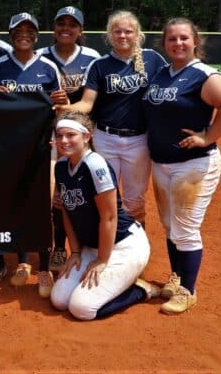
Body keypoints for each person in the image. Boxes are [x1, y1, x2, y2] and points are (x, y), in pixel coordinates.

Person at [142, 18, 221, 314]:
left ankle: (188, 290)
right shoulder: (162, 73)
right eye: (172, 39)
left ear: (195, 41)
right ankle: (178, 276)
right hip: (162, 163)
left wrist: (208, 136)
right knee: (171, 226)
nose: (178, 43)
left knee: (185, 229)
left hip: (193, 164)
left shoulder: (203, 74)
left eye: (184, 38)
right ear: (164, 44)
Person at [0, 12, 67, 298]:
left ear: (36, 35)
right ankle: (21, 262)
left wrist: (61, 101)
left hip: (43, 146)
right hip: (9, 147)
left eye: (30, 30)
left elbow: (59, 106)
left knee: (44, 205)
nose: (24, 35)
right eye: (18, 30)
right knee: (16, 203)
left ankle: (44, 267)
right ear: (10, 33)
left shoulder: (48, 67)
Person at [50, 111, 160, 320]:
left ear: (87, 136)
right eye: (59, 135)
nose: (63, 140)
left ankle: (140, 290)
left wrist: (102, 259)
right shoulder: (62, 167)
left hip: (123, 246)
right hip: (91, 248)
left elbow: (109, 218)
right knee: (59, 300)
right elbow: (67, 210)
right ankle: (115, 281)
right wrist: (74, 252)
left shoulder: (95, 165)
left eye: (70, 135)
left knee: (81, 309)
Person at [61, 10, 167, 226]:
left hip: (139, 140)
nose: (123, 36)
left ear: (137, 34)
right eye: (117, 31)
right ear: (110, 35)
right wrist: (65, 108)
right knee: (104, 195)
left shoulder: (153, 59)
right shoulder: (100, 65)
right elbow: (87, 103)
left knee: (135, 200)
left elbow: (171, 83)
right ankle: (108, 247)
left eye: (128, 31)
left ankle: (136, 249)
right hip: (105, 139)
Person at [38, 7, 101, 273]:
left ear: (81, 30)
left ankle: (87, 244)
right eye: (61, 23)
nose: (66, 28)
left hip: (81, 134)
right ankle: (59, 248)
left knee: (83, 191)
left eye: (72, 24)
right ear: (53, 28)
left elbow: (93, 100)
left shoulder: (92, 58)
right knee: (56, 193)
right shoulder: (41, 57)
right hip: (50, 135)